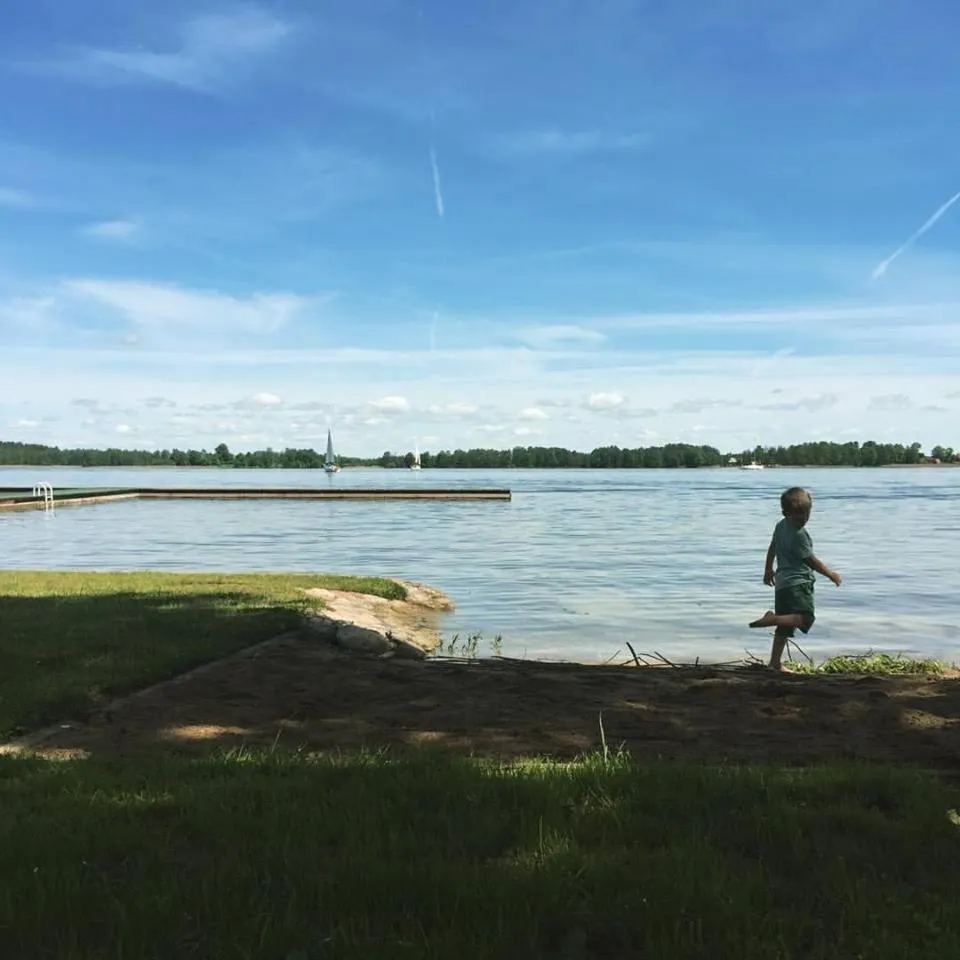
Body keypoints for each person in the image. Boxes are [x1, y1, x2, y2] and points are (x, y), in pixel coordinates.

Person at [749, 486, 841, 671]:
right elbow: (812, 561)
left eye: (806, 514)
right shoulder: (799, 536)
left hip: (782, 584)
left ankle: (775, 663)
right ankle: (772, 618)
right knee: (805, 618)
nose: (803, 519)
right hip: (798, 585)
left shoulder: (781, 525)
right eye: (798, 515)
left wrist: (768, 570)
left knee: (784, 627)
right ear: (786, 513)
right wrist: (830, 574)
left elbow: (773, 547)